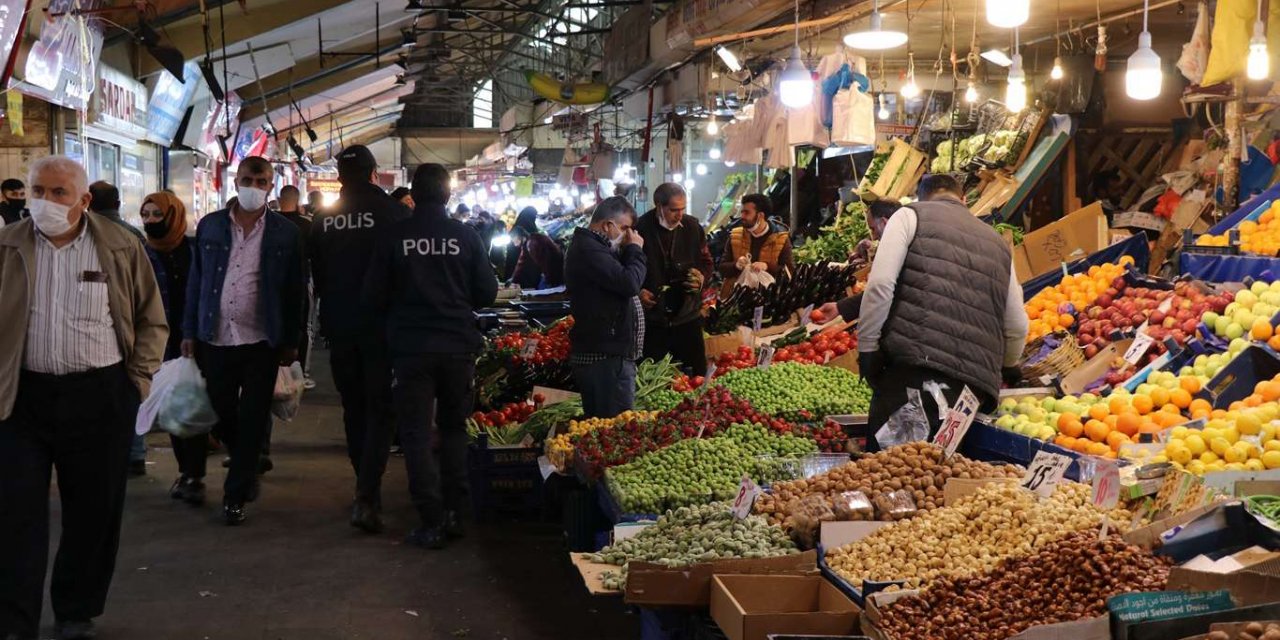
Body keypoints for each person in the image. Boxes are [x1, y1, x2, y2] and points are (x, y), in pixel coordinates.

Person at [0, 155, 167, 640]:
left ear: (84, 200)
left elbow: (151, 319)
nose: (45, 202)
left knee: (93, 511)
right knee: (14, 514)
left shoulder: (119, 246)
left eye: (58, 193)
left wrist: (136, 382)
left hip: (99, 395)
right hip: (20, 400)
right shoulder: (7, 246)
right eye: (38, 192)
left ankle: (76, 610)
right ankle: (14, 620)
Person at [814, 175, 1028, 447]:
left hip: (912, 377)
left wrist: (868, 351)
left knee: (890, 476)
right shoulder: (997, 242)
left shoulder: (909, 216)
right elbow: (1017, 325)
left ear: (920, 198)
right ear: (963, 199)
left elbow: (880, 286)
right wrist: (1008, 366)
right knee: (940, 480)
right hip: (968, 394)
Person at [365, 163, 498, 550]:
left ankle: (431, 519)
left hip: (410, 350)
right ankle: (456, 513)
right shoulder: (465, 236)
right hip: (458, 347)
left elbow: (374, 294)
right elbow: (487, 293)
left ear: (414, 193)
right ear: (447, 194)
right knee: (455, 430)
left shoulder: (394, 236)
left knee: (416, 435)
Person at [182, 156, 305, 526]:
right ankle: (247, 463)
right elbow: (197, 282)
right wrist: (189, 331)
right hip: (216, 337)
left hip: (261, 340)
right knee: (220, 411)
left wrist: (292, 341)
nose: (254, 185)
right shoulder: (211, 226)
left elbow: (295, 291)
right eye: (248, 178)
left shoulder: (287, 233)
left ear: (270, 185)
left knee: (253, 417)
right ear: (236, 181)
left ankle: (234, 495)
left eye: (262, 180)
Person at [310, 145, 410, 533]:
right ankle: (369, 491)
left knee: (354, 408)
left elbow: (317, 277)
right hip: (384, 330)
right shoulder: (396, 214)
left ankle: (363, 486)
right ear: (374, 174)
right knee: (382, 409)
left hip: (341, 327)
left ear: (339, 177)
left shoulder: (323, 219)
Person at [139, 192, 204, 505]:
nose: (151, 221)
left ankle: (195, 470)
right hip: (160, 343)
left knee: (198, 403)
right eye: (146, 215)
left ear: (173, 215)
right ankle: (191, 473)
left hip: (198, 339)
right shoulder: (140, 253)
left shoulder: (195, 250)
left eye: (156, 214)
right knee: (178, 407)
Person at [564, 197, 647, 418]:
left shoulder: (597, 248)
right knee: (613, 426)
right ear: (607, 225)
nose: (629, 235)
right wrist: (635, 251)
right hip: (604, 357)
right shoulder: (589, 250)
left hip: (609, 354)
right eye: (624, 228)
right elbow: (629, 283)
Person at [636, 183, 713, 376]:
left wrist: (701, 277)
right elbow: (626, 267)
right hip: (654, 319)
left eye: (682, 209)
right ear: (658, 206)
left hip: (687, 315)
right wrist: (638, 292)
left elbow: (707, 262)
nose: (679, 215)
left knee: (696, 375)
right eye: (673, 210)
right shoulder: (639, 229)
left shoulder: (693, 227)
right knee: (653, 378)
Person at [717, 193, 795, 297]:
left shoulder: (781, 239)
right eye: (742, 212)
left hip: (767, 299)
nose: (742, 216)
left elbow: (789, 272)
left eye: (747, 213)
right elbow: (722, 269)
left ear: (760, 216)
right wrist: (736, 265)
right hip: (736, 299)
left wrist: (767, 266)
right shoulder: (735, 236)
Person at [277, 185, 315, 392]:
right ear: (298, 201)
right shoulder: (306, 225)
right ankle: (301, 372)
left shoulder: (271, 223)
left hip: (273, 281)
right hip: (301, 280)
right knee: (304, 325)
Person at [509, 207, 565, 289]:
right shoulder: (527, 243)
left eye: (514, 240)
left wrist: (549, 280)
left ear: (519, 236)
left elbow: (545, 262)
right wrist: (513, 279)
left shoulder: (532, 243)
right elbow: (521, 262)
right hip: (551, 272)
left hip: (553, 272)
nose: (514, 244)